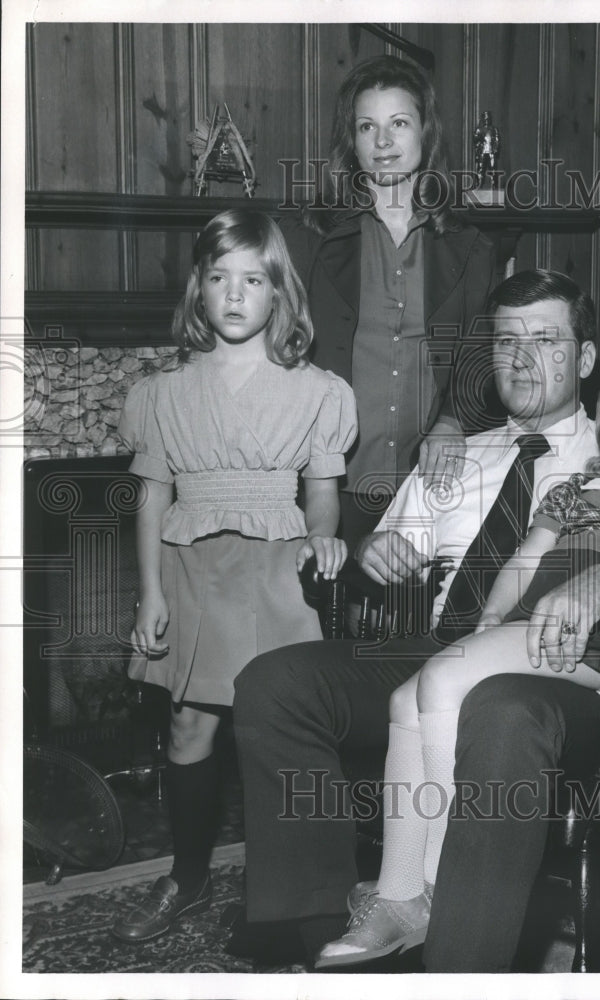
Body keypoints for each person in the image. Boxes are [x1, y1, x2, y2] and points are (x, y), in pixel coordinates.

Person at [230, 270, 600, 970]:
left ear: (583, 360)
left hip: (556, 671)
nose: (520, 358)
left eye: (545, 341)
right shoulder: (456, 456)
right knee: (275, 682)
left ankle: (461, 963)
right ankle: (319, 924)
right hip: (436, 647)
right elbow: (381, 552)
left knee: (499, 709)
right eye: (506, 341)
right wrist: (379, 549)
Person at [314, 358, 600, 967]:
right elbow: (523, 560)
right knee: (401, 701)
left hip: (594, 645)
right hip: (525, 627)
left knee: (440, 678)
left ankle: (442, 881)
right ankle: (397, 891)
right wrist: (490, 619)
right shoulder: (574, 492)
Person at [111, 209, 357, 944]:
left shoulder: (316, 390)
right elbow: (152, 495)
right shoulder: (162, 391)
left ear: (279, 293)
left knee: (272, 731)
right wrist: (150, 590)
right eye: (219, 278)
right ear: (199, 291)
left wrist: (323, 539)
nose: (235, 293)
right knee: (189, 727)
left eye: (253, 279)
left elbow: (321, 489)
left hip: (276, 571)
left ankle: (280, 894)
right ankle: (186, 879)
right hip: (190, 569)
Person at [280, 55, 497, 549]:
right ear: (351, 143)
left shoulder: (469, 245)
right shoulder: (309, 237)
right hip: (330, 480)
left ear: (425, 133)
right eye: (366, 127)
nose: (383, 142)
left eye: (399, 123)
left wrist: (453, 420)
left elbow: (479, 351)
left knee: (419, 620)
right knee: (334, 617)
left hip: (430, 481)